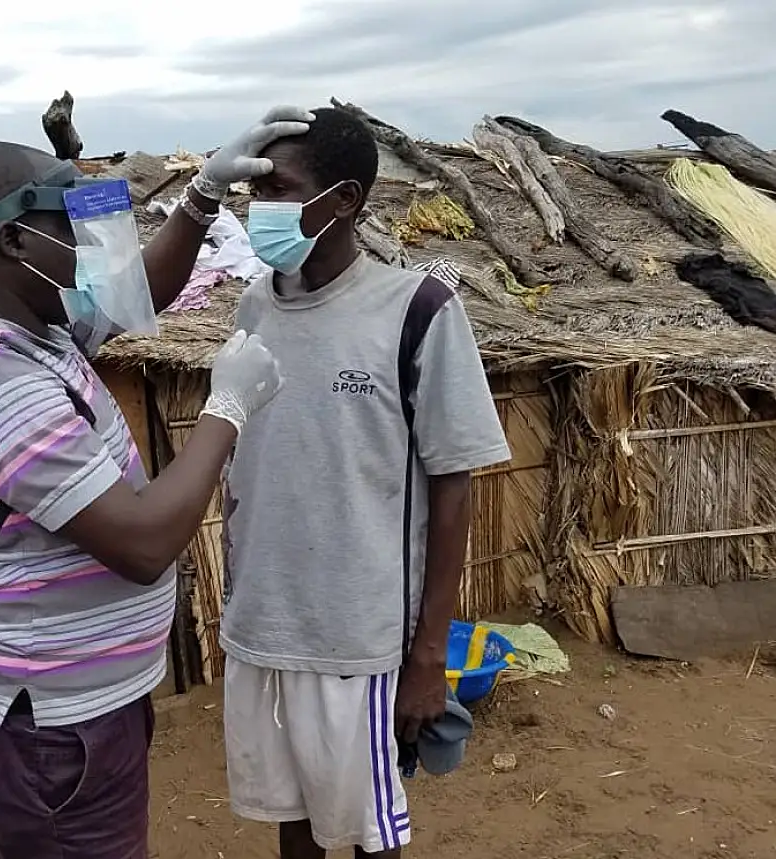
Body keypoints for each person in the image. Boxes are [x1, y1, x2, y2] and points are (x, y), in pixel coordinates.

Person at [0, 106, 310, 859]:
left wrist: (201, 196)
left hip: (64, 710)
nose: (85, 245)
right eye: (68, 226)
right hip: (46, 730)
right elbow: (144, 542)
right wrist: (227, 406)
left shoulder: (26, 326)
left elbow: (136, 292)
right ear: (14, 240)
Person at [220, 106, 512, 858]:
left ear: (344, 199)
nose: (260, 209)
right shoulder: (255, 304)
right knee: (294, 822)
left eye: (279, 188)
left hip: (359, 638)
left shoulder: (416, 310)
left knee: (371, 831)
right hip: (264, 627)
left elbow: (454, 487)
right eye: (255, 189)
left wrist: (426, 657)